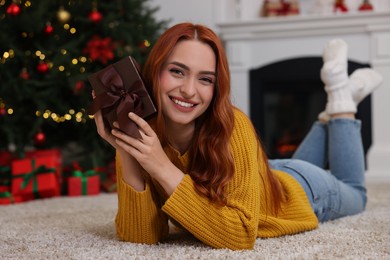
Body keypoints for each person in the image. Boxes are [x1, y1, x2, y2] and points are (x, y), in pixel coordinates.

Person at [92, 23, 383, 250]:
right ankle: (330, 111)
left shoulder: (233, 126)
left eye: (205, 79)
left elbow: (241, 234)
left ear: (216, 87)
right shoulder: (143, 134)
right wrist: (127, 150)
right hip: (261, 176)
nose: (190, 91)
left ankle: (342, 101)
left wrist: (161, 166)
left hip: (305, 191)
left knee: (356, 193)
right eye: (177, 72)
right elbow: (142, 238)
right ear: (155, 72)